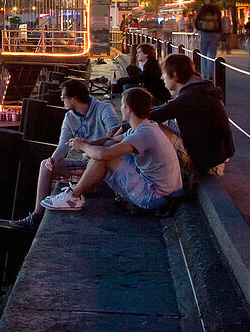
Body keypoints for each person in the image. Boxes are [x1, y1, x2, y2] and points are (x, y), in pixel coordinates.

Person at [27, 86, 183, 214]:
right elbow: (111, 140)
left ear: (128, 109)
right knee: (108, 148)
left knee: (105, 157)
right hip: (163, 192)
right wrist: (89, 143)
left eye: (121, 104)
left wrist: (83, 147)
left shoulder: (143, 133)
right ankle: (78, 192)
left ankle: (73, 196)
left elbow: (103, 155)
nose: (120, 107)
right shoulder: (146, 127)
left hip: (156, 197)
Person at [11, 79, 119, 228]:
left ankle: (73, 196)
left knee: (103, 151)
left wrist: (88, 145)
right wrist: (53, 158)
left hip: (102, 165)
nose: (61, 100)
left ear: (73, 99)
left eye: (63, 97)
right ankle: (37, 216)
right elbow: (64, 144)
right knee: (46, 165)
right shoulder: (69, 117)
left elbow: (115, 138)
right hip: (86, 164)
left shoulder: (104, 109)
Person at [149, 54, 235, 175]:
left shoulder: (191, 96)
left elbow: (158, 114)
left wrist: (123, 127)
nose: (162, 78)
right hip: (212, 156)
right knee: (159, 124)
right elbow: (164, 109)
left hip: (208, 164)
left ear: (174, 74)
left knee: (152, 128)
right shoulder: (196, 89)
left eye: (164, 73)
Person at [194, 0, 223, 79]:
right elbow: (219, 21)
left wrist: (198, 28)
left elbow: (197, 19)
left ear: (207, 0)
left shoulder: (203, 8)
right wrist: (219, 31)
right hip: (214, 33)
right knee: (212, 54)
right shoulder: (217, 9)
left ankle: (204, 73)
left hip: (204, 32)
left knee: (204, 53)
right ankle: (211, 74)